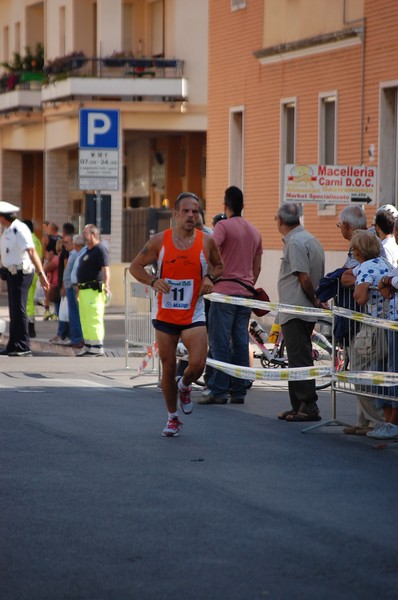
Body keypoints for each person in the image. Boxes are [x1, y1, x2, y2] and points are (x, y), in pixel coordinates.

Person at [129, 192, 223, 437]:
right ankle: (172, 417)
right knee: (168, 367)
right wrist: (153, 280)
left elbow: (219, 265)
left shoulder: (206, 242)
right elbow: (135, 266)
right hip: (165, 314)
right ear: (175, 214)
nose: (191, 215)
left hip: (193, 312)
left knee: (198, 364)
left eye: (195, 211)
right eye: (186, 211)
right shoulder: (160, 241)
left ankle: (185, 385)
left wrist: (209, 278)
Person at [199, 185, 263, 405]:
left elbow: (208, 253)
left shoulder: (223, 227)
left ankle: (218, 390)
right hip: (245, 293)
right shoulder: (254, 231)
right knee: (240, 341)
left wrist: (210, 277)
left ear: (225, 205)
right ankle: (238, 390)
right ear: (243, 205)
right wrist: (247, 282)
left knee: (219, 341)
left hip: (224, 292)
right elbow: (257, 267)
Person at [275, 202, 325, 422]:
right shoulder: (309, 239)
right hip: (299, 309)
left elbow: (303, 276)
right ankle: (298, 406)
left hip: (296, 309)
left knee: (299, 359)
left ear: (280, 221)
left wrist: (314, 299)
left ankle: (308, 406)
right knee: (296, 358)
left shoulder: (295, 242)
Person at [0, 201, 49, 356]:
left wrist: (41, 275)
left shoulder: (19, 229)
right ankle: (13, 345)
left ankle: (23, 346)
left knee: (20, 309)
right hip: (12, 273)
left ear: (3, 217)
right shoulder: (8, 230)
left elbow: (32, 252)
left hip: (22, 273)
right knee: (14, 310)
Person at [76, 224, 110, 357]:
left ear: (93, 235)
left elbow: (105, 269)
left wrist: (107, 285)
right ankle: (88, 345)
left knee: (94, 317)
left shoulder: (100, 250)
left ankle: (97, 347)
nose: (83, 235)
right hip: (84, 290)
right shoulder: (88, 251)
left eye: (85, 233)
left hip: (94, 290)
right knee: (85, 318)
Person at [63, 234, 84, 349]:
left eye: (67, 242)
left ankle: (77, 339)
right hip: (70, 286)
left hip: (74, 287)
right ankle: (75, 338)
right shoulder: (74, 254)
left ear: (74, 244)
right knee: (73, 314)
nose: (64, 245)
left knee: (75, 314)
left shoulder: (77, 254)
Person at [23, 219, 43, 338]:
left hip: (28, 272)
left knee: (27, 301)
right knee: (29, 300)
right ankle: (30, 326)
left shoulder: (28, 239)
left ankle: (30, 327)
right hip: (35, 273)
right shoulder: (37, 240)